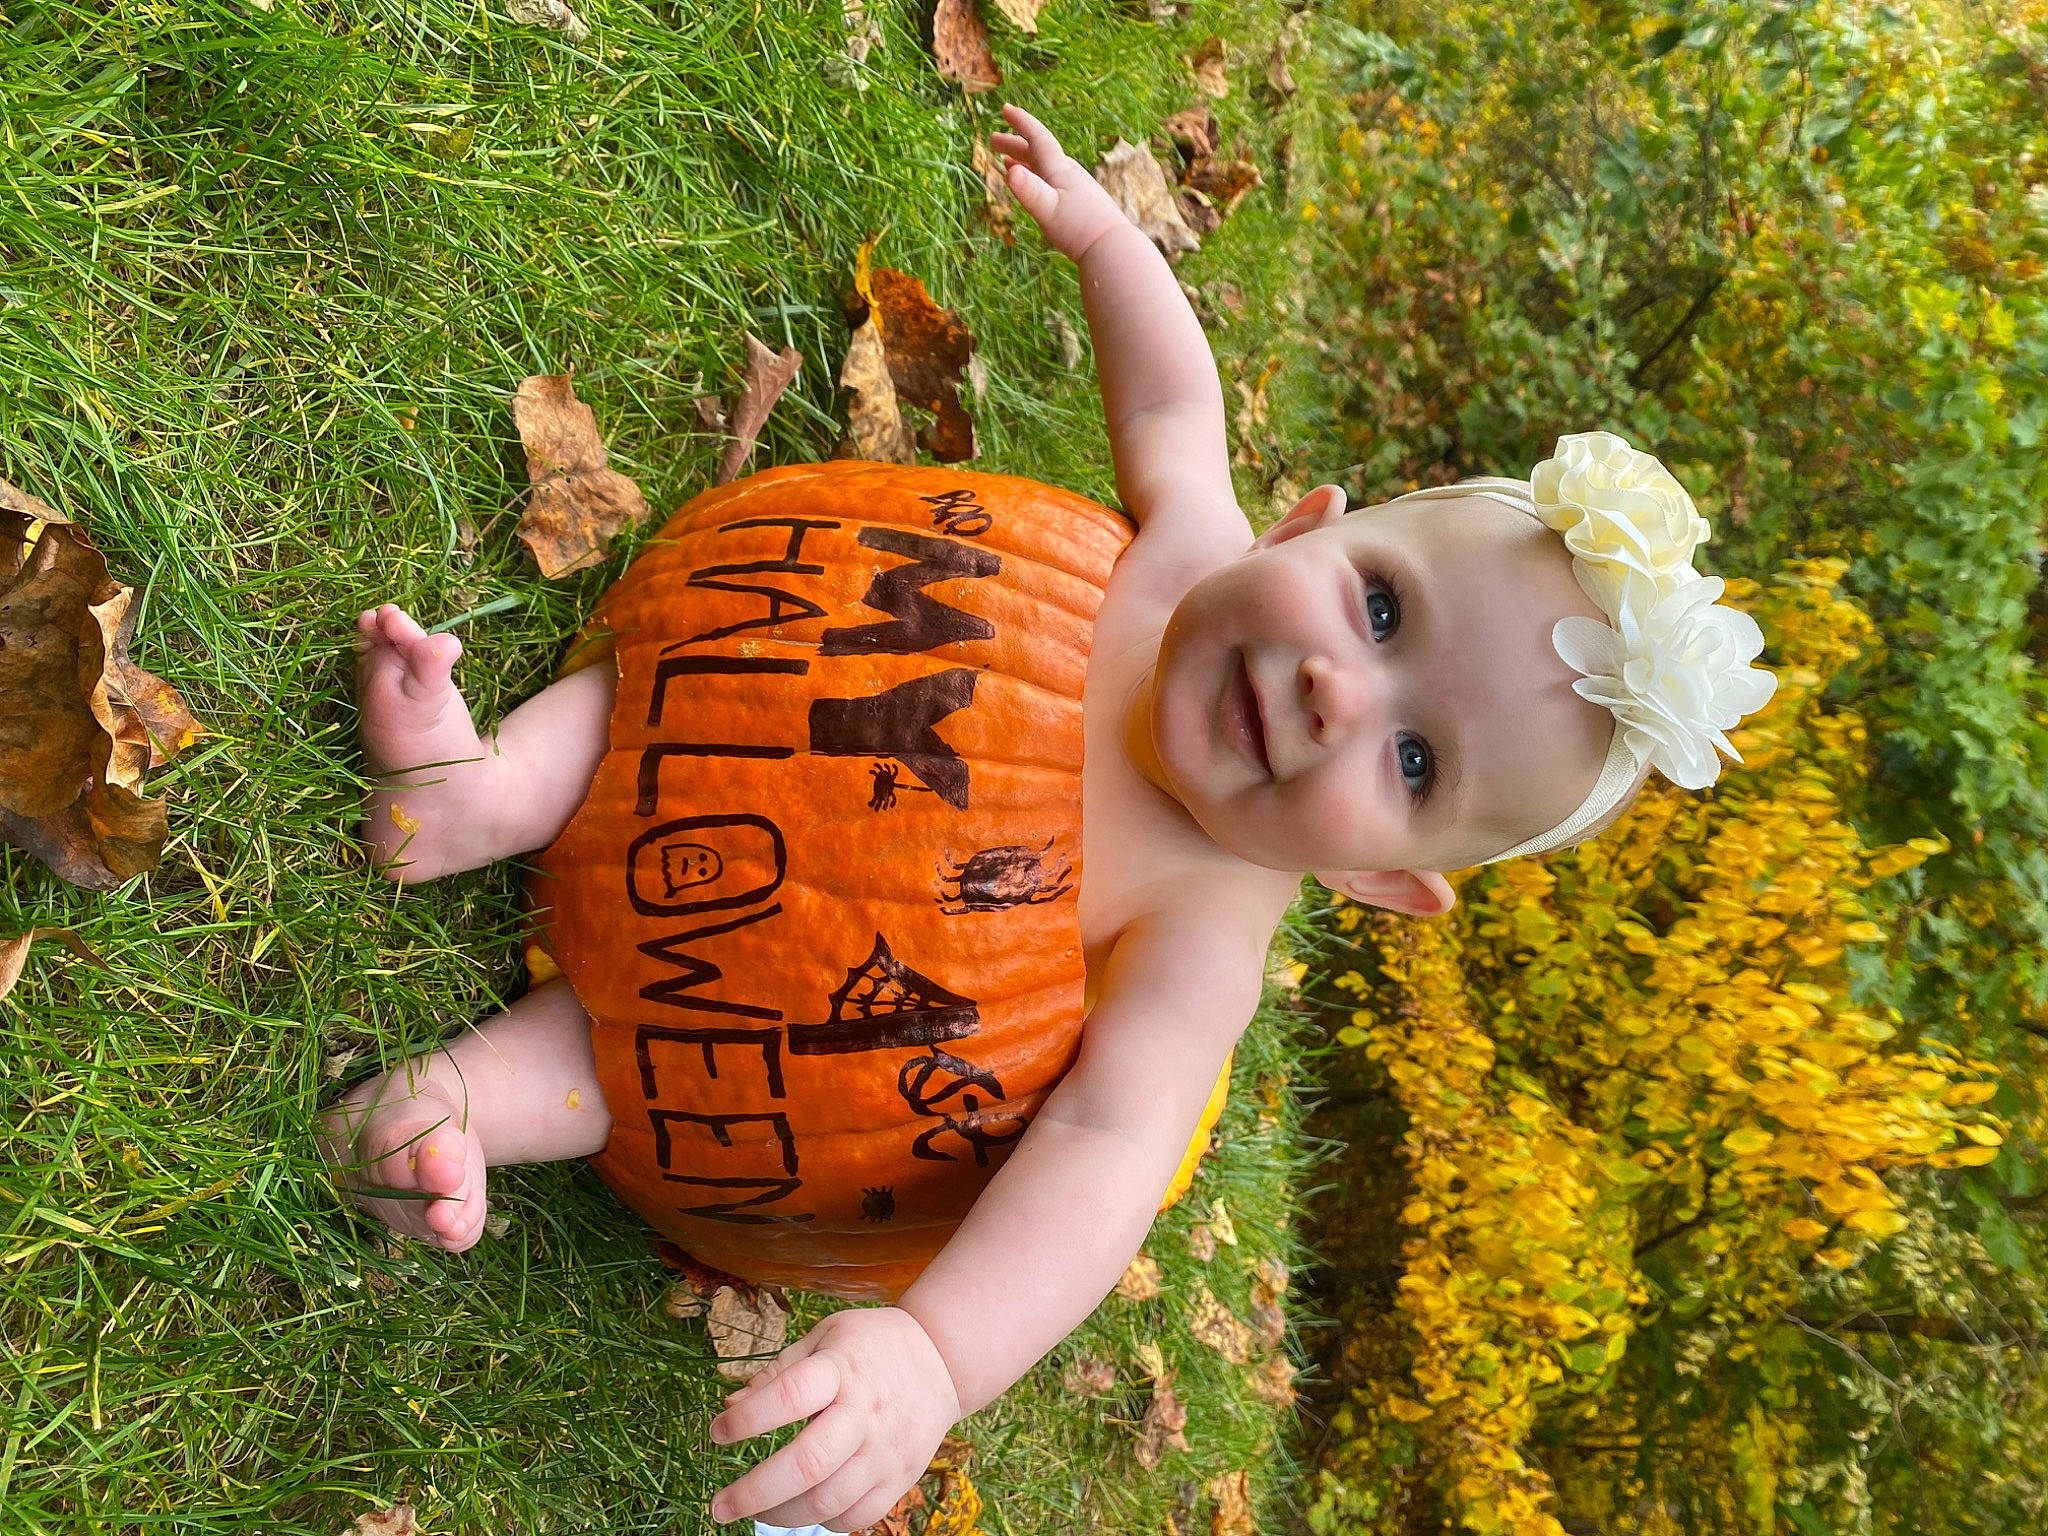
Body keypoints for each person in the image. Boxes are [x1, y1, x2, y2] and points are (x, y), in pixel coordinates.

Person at [322, 105, 1775, 1534]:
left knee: (622, 1064)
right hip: (730, 696)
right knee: (663, 700)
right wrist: (1099, 233)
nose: (1342, 690)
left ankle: (449, 1114)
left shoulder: (1200, 936)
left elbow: (1102, 1149)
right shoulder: (1190, 545)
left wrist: (938, 1354)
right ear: (1306, 523)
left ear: (1380, 881)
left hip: (750, 1026)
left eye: (1411, 762)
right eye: (1381, 605)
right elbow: (1169, 405)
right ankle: (473, 793)